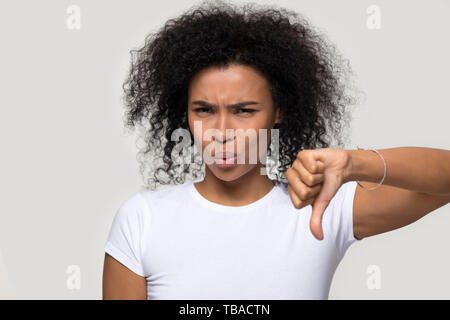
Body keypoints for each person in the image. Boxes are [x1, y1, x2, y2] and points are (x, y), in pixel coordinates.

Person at [102, 0, 450, 299]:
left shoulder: (320, 209)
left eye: (244, 110)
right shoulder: (142, 219)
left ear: (279, 111)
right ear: (185, 114)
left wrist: (354, 162)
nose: (221, 132)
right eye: (204, 110)